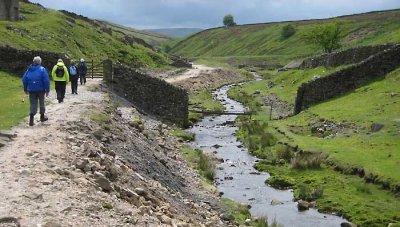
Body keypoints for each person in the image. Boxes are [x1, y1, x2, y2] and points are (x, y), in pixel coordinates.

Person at [22, 56, 50, 126]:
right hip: (41, 89)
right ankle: (42, 117)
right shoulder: (42, 69)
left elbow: (24, 79)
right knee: (42, 102)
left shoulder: (29, 70)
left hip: (31, 90)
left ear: (33, 62)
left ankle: (31, 120)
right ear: (40, 62)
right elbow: (46, 80)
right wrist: (47, 90)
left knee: (33, 104)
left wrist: (25, 89)